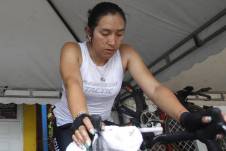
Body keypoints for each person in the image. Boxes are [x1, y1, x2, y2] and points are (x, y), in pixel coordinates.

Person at [53, 2, 226, 151]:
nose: (113, 42)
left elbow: (155, 89)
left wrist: (185, 117)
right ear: (89, 31)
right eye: (105, 33)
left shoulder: (126, 53)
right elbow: (73, 82)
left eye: (119, 34)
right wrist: (81, 116)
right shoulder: (73, 50)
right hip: (70, 123)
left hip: (104, 125)